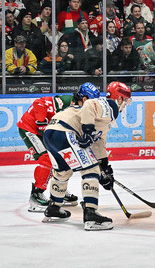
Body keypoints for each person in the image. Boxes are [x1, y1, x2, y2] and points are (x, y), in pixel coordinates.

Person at [41, 81, 132, 230]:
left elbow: (99, 143)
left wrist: (105, 168)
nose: (125, 104)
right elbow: (89, 105)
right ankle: (91, 214)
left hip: (51, 132)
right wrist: (87, 131)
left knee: (63, 171)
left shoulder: (102, 119)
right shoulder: (111, 105)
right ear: (120, 98)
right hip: (66, 130)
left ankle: (54, 208)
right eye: (126, 100)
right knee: (91, 170)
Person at [17, 82, 99, 211]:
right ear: (84, 99)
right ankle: (36, 194)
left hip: (49, 133)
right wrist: (40, 120)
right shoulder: (67, 101)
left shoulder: (83, 111)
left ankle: (59, 190)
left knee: (63, 160)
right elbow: (39, 102)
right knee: (46, 159)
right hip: (30, 128)